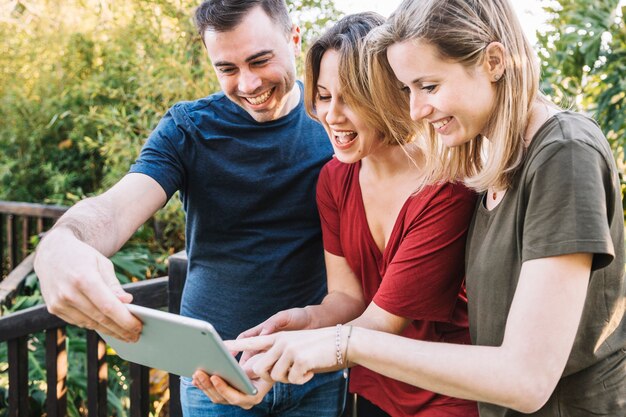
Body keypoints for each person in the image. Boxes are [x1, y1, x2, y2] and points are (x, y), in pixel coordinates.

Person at [228, 0, 626, 416]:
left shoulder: (564, 152)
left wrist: (346, 342)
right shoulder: (493, 164)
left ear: (494, 61)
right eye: (407, 90)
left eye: (429, 86)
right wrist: (291, 336)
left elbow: (526, 379)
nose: (415, 110)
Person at [33, 0, 347, 416]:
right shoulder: (188, 128)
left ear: (294, 39)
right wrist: (60, 243)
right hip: (213, 372)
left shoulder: (336, 123)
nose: (248, 84)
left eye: (259, 61)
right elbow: (115, 208)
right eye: (227, 69)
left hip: (311, 366)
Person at [203, 12, 478, 417]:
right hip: (375, 384)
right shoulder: (335, 179)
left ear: (390, 94)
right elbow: (348, 297)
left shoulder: (446, 188)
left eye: (351, 98)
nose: (331, 115)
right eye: (325, 96)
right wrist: (301, 319)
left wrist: (274, 364)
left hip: (448, 390)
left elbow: (386, 323)